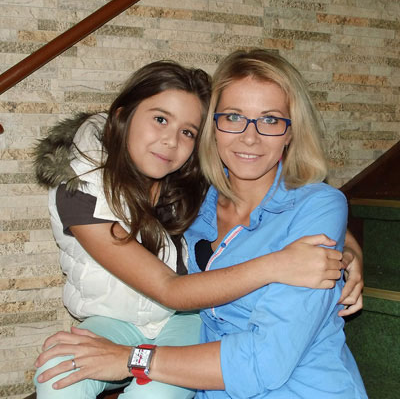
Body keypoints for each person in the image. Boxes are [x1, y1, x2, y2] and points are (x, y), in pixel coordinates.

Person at [34, 56, 365, 398]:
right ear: (214, 129)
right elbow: (170, 287)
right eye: (233, 117)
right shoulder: (197, 198)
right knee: (57, 375)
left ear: (291, 132)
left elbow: (265, 361)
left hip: (301, 389)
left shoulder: (313, 207)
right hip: (196, 373)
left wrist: (345, 247)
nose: (249, 138)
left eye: (270, 119)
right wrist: (301, 259)